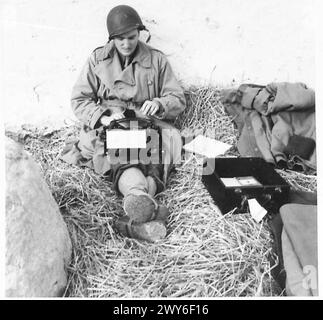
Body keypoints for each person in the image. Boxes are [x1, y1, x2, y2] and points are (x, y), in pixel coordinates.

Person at [61, 5, 186, 242]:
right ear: (112, 38)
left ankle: (134, 214)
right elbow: (79, 99)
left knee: (158, 154)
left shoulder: (156, 60)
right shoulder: (98, 59)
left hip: (146, 121)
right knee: (120, 154)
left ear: (140, 33)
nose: (127, 44)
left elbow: (177, 99)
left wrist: (159, 103)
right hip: (112, 121)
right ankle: (149, 208)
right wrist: (102, 117)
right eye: (120, 39)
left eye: (131, 37)